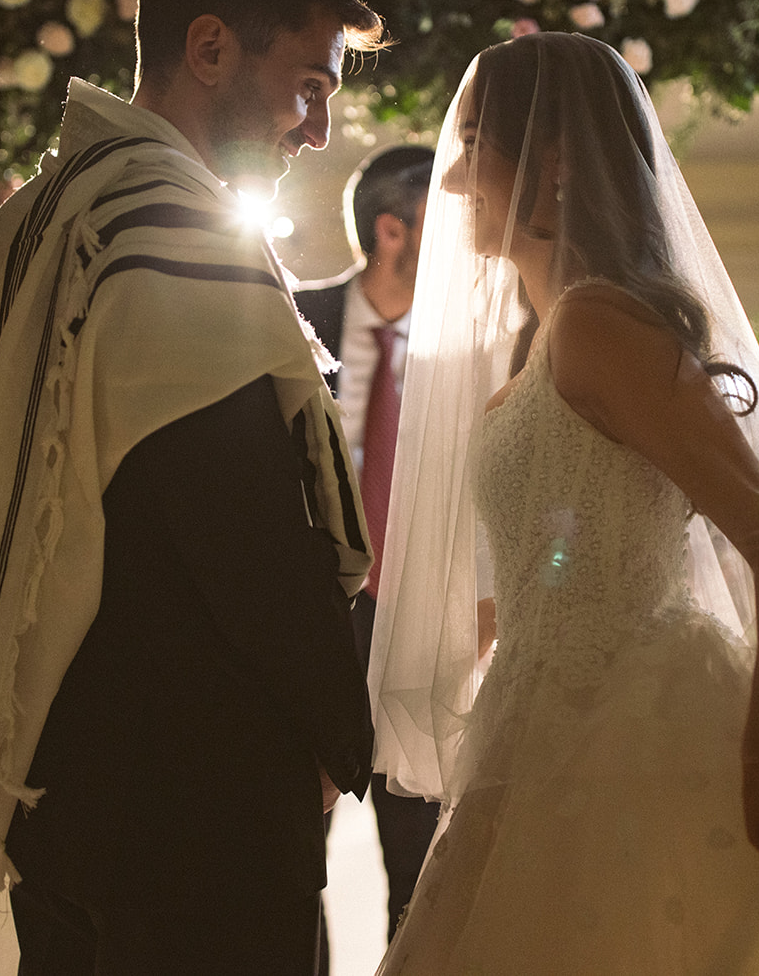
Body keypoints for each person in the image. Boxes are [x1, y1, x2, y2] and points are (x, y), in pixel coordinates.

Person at [0, 0, 383, 976]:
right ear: (209, 48)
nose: (316, 129)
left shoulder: (43, 211)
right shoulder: (169, 222)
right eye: (307, 85)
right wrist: (332, 717)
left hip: (64, 757)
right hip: (195, 773)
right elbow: (237, 517)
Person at [367, 31, 759, 974]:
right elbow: (575, 549)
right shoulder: (548, 338)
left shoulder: (598, 324)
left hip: (641, 736)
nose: (453, 180)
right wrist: (484, 625)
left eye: (472, 146)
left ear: (550, 165)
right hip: (546, 726)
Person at [297, 144, 441, 952]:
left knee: (421, 868)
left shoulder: (466, 349)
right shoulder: (294, 321)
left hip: (418, 633)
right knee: (290, 859)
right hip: (310, 627)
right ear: (393, 231)